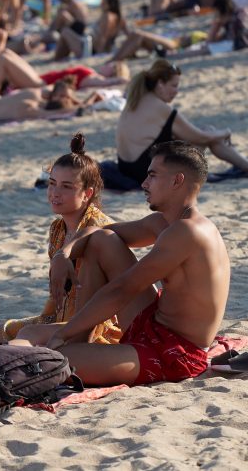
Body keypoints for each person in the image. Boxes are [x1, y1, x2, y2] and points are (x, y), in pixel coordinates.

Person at [18, 142, 230, 388]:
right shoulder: (164, 223)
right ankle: (80, 339)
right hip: (154, 326)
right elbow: (96, 232)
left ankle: (75, 341)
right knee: (102, 241)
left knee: (51, 361)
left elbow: (122, 289)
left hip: (177, 352)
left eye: (152, 176)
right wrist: (62, 255)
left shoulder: (189, 231)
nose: (144, 184)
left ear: (177, 181)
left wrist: (61, 335)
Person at [0, 134, 114, 344]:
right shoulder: (58, 229)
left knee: (25, 338)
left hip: (93, 327)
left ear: (87, 193)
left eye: (67, 186)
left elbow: (102, 303)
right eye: (52, 183)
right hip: (59, 318)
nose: (55, 193)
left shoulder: (100, 228)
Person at [115, 60, 248, 187]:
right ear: (160, 84)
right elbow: (200, 137)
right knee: (210, 133)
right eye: (173, 85)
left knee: (208, 133)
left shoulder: (137, 100)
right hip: (145, 171)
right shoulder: (160, 108)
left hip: (128, 168)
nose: (176, 91)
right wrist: (225, 132)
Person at [0, 49, 129, 95]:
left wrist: (121, 79)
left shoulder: (97, 79)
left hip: (38, 83)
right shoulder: (93, 75)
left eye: (112, 65)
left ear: (114, 71)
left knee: (4, 57)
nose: (108, 64)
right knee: (6, 53)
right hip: (39, 79)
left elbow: (119, 81)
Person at [58, 0, 126, 59]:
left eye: (104, 3)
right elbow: (128, 34)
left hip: (90, 50)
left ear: (111, 5)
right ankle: (59, 58)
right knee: (67, 33)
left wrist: (98, 54)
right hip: (96, 49)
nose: (101, 5)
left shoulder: (107, 17)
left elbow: (103, 37)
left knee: (65, 32)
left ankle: (57, 58)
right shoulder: (120, 18)